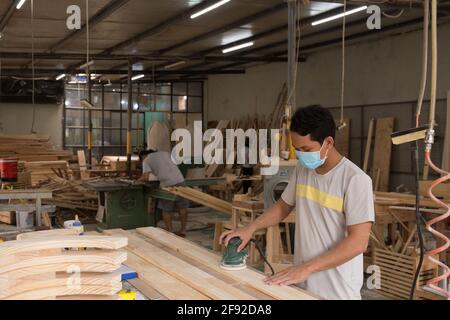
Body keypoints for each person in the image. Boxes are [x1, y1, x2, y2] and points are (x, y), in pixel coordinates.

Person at [220, 105, 375, 300]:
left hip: (337, 290)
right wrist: (250, 228)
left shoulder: (355, 180)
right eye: (297, 149)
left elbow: (358, 243)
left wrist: (307, 268)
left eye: (306, 149)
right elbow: (283, 206)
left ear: (328, 142)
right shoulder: (303, 168)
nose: (301, 155)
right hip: (302, 282)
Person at [138, 149, 190, 237]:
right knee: (183, 207)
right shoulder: (165, 153)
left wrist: (135, 181)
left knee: (166, 210)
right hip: (181, 180)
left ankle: (170, 231)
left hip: (168, 185)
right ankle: (183, 230)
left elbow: (146, 177)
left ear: (143, 156)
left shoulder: (146, 160)